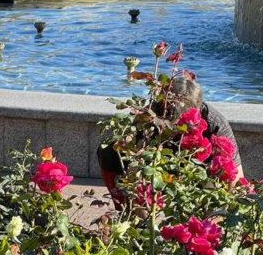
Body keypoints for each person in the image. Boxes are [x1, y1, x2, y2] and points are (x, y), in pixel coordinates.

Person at [98, 75, 243, 208]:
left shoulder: (215, 123)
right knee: (109, 152)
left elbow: (235, 174)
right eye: (169, 114)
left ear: (197, 108)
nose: (175, 122)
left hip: (197, 169)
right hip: (157, 163)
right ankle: (126, 210)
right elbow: (132, 155)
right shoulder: (149, 114)